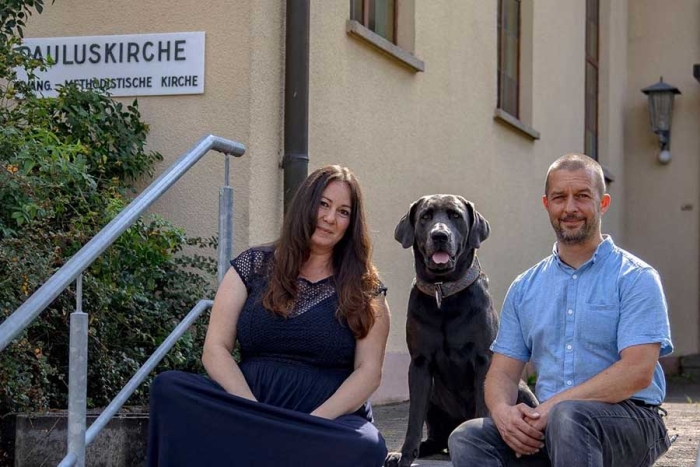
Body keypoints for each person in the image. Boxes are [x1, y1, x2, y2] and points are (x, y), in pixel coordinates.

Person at [147, 165, 391, 466]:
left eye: (343, 212)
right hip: (248, 404)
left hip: (324, 418)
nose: (330, 218)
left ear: (351, 224)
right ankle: (275, 447)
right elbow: (215, 350)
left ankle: (266, 448)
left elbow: (368, 372)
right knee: (170, 389)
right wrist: (250, 411)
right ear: (305, 206)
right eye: (323, 204)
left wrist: (311, 425)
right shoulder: (253, 265)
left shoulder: (366, 288)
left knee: (366, 444)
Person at [448, 154, 673, 466]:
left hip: (630, 419)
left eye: (582, 196)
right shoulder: (525, 287)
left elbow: (637, 371)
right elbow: (502, 372)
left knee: (569, 417)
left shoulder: (635, 278)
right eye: (559, 198)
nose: (570, 208)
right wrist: (503, 414)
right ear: (547, 205)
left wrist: (553, 406)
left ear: (603, 203)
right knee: (468, 437)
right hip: (551, 423)